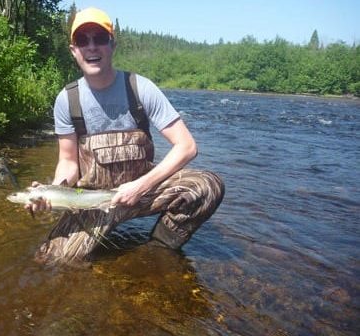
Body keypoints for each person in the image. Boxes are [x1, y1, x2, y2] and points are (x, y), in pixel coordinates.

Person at [27, 7, 224, 265]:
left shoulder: (141, 88)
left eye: (99, 38)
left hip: (143, 192)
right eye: (82, 40)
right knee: (52, 261)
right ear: (74, 50)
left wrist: (141, 186)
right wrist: (53, 192)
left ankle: (157, 252)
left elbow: (186, 146)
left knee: (207, 186)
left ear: (112, 44)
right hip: (92, 202)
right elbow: (68, 161)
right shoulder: (67, 100)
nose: (91, 47)